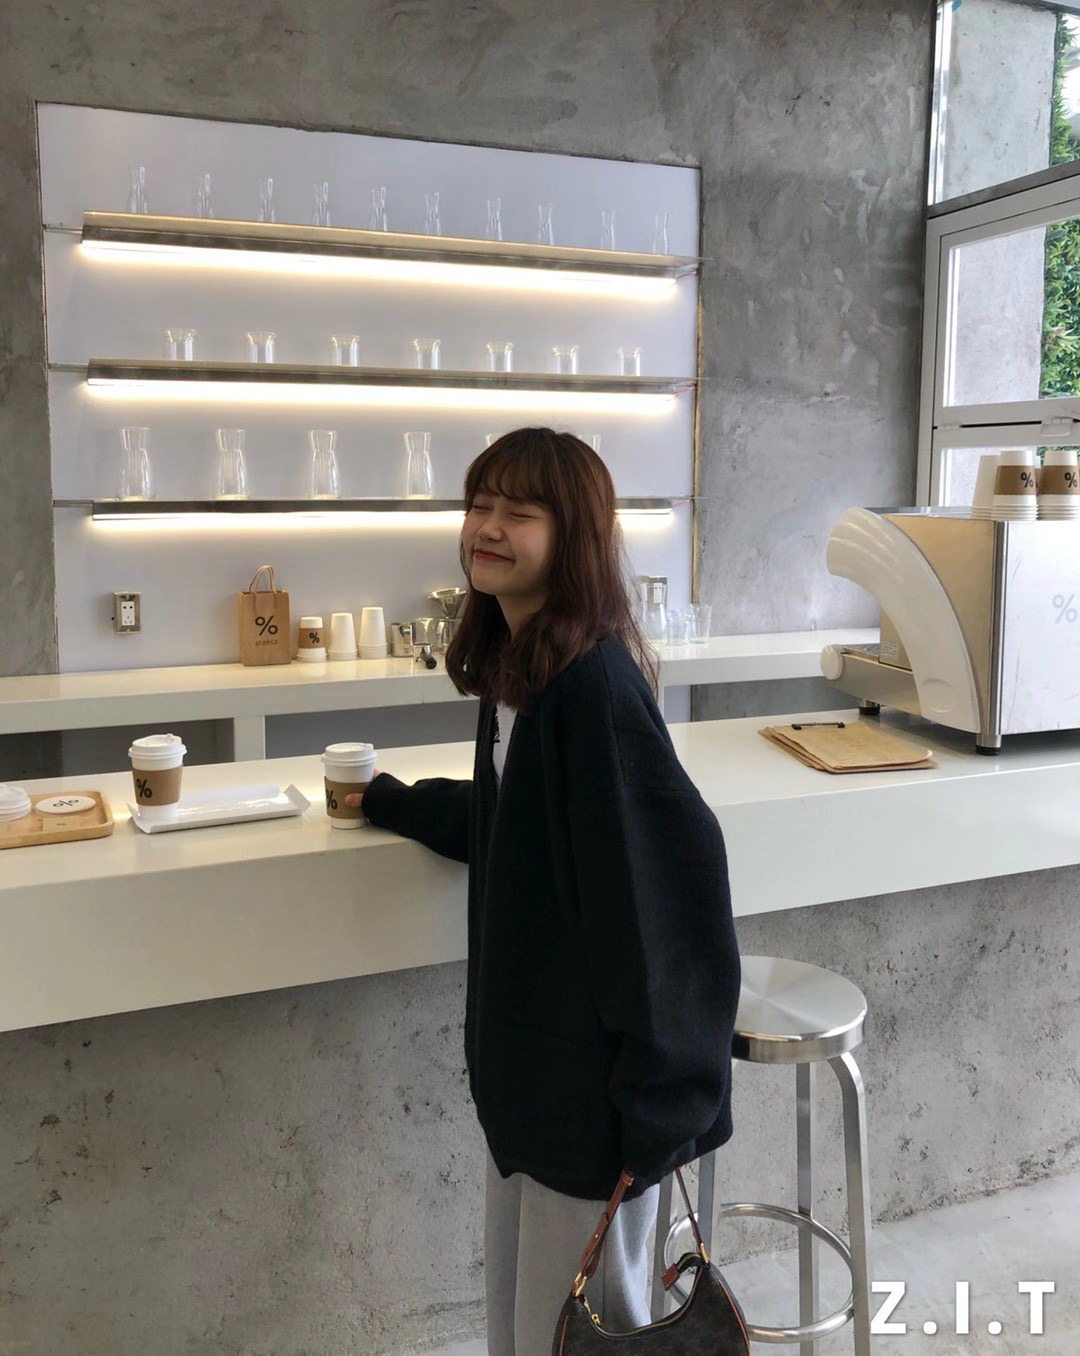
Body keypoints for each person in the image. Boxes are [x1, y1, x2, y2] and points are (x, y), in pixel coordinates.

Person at [348, 427, 741, 1355]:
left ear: (574, 538)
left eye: (518, 512)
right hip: (533, 1087)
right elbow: (515, 820)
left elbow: (665, 897)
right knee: (534, 1329)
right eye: (479, 505)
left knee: (581, 1332)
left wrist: (659, 1112)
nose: (487, 528)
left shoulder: (592, 689)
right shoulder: (522, 672)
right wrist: (393, 802)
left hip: (597, 1112)